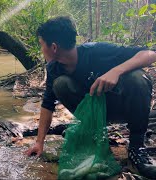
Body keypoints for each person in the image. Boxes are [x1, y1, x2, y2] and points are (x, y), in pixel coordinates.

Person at [25, 16, 156, 178]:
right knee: (60, 84)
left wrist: (116, 71)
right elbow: (47, 104)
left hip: (122, 108)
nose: (41, 49)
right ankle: (95, 137)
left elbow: (150, 54)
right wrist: (39, 142)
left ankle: (136, 150)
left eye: (41, 45)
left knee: (137, 77)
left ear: (53, 47)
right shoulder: (54, 68)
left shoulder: (97, 51)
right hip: (94, 114)